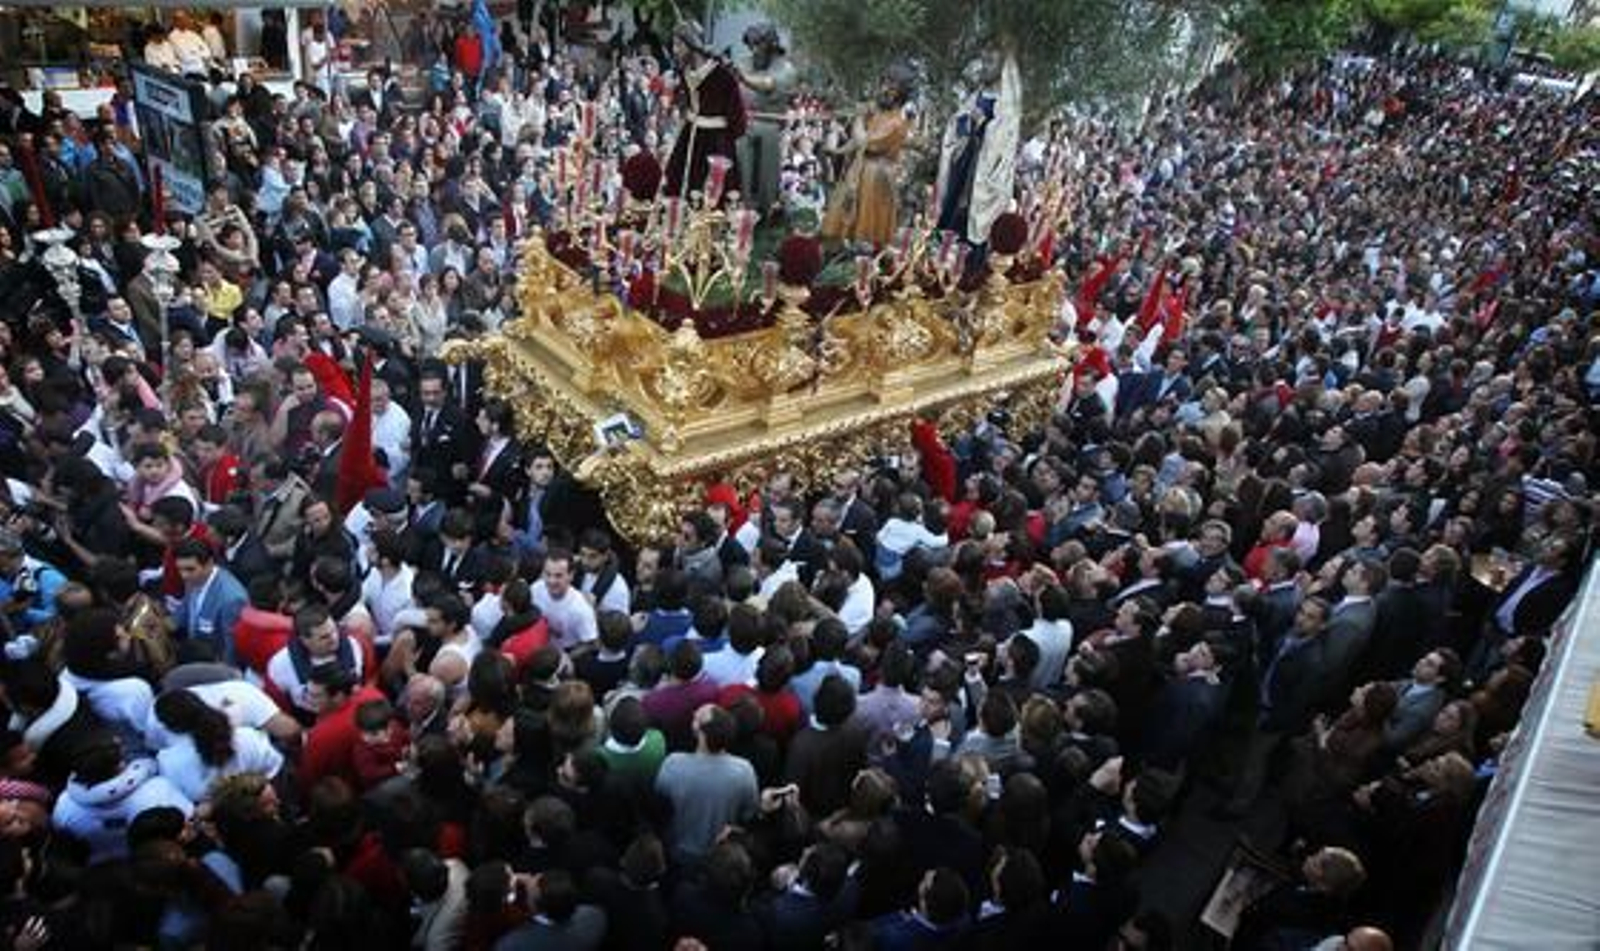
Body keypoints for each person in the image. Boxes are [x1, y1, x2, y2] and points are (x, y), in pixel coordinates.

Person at [653, 704, 757, 864]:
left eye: (697, 718)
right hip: (721, 857)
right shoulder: (744, 770)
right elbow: (748, 813)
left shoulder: (672, 764)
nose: (693, 713)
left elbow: (659, 807)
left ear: (701, 734)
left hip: (679, 852)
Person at [821, 66, 914, 246]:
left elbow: (865, 141)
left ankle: (862, 258)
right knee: (846, 216)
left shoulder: (897, 123)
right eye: (884, 83)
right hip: (860, 170)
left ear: (901, 94)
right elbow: (857, 142)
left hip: (876, 177)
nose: (884, 89)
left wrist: (858, 117)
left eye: (891, 87)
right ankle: (843, 250)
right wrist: (837, 151)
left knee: (866, 224)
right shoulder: (879, 114)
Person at [663, 23, 747, 204]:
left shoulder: (723, 75)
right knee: (678, 185)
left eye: (678, 45)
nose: (674, 50)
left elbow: (738, 119)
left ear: (691, 45)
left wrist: (726, 141)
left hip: (716, 142)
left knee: (713, 191)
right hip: (689, 136)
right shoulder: (684, 71)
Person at [735, 23, 797, 217]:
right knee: (740, 156)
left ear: (770, 45)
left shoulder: (785, 68)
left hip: (770, 126)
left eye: (758, 45)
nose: (753, 50)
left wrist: (742, 78)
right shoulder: (744, 62)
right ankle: (742, 207)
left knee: (766, 178)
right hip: (744, 124)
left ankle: (765, 209)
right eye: (751, 45)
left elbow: (768, 84)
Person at [171, 538, 248, 665]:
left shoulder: (231, 599)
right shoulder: (194, 579)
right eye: (180, 569)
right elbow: (183, 613)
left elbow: (231, 650)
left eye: (190, 569)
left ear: (209, 564)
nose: (183, 575)